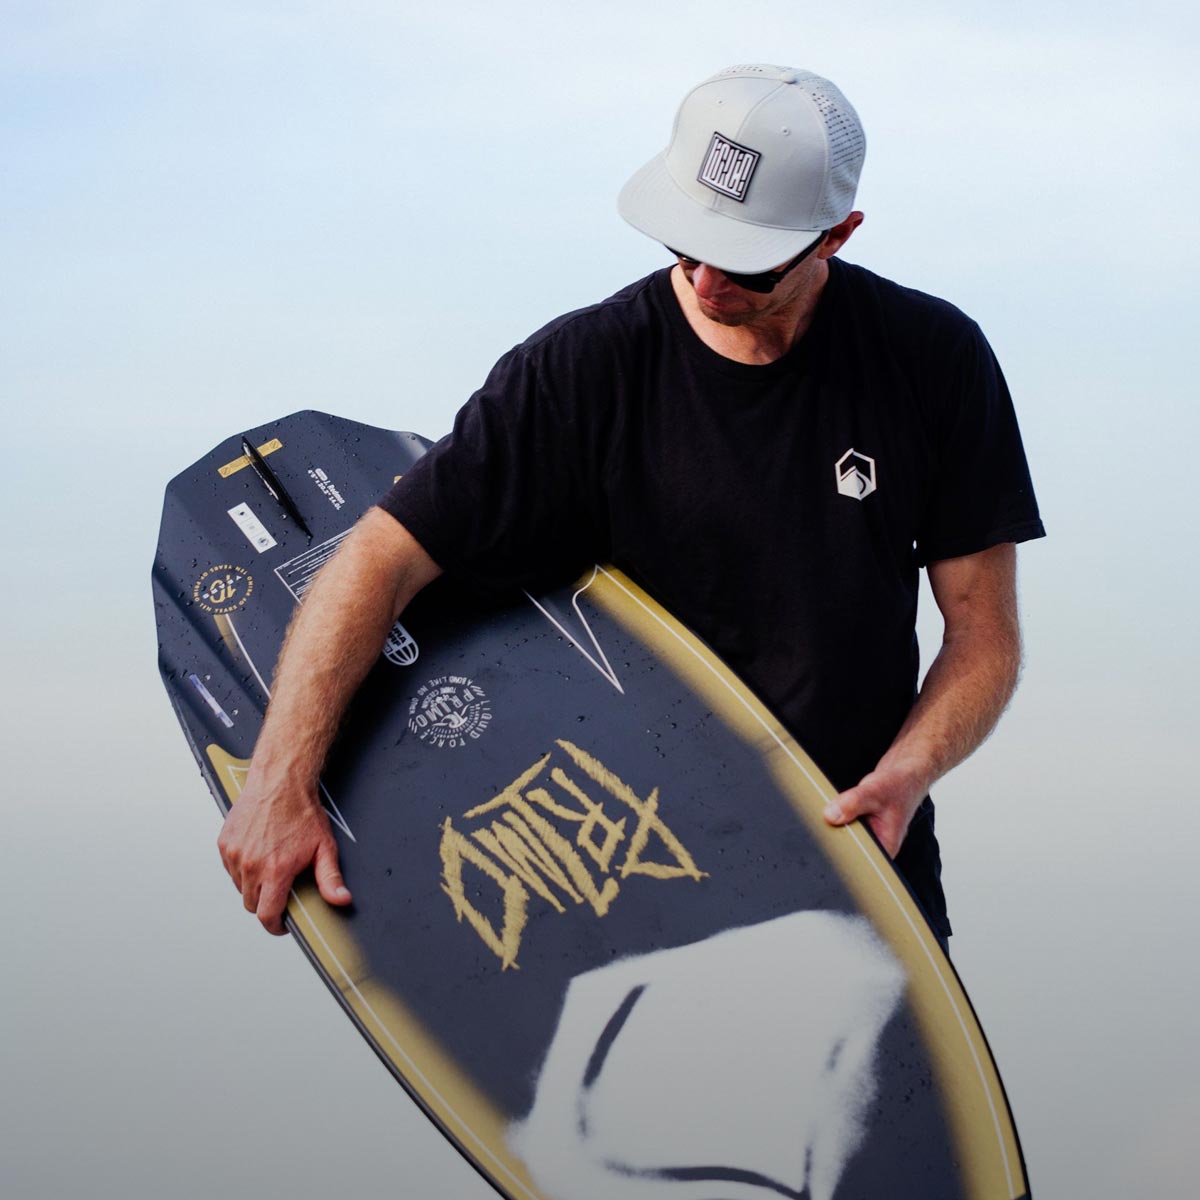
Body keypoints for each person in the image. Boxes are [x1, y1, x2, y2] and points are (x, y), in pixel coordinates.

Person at [217, 64, 1044, 946]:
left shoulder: (933, 360)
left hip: (858, 861)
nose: (707, 283)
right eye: (684, 247)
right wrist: (278, 782)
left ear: (837, 236)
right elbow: (379, 561)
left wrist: (908, 772)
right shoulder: (578, 374)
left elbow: (983, 636)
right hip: (632, 888)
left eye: (745, 264)